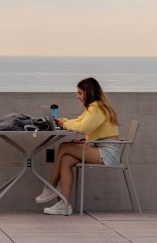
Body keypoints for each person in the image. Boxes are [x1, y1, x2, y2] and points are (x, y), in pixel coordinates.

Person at [36, 77, 120, 215]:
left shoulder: (97, 107)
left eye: (80, 93)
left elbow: (84, 128)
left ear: (89, 92)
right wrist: (64, 121)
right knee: (66, 159)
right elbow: (79, 121)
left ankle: (50, 187)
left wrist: (64, 124)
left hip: (107, 153)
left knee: (64, 146)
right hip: (99, 148)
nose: (78, 97)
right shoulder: (94, 107)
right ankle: (65, 204)